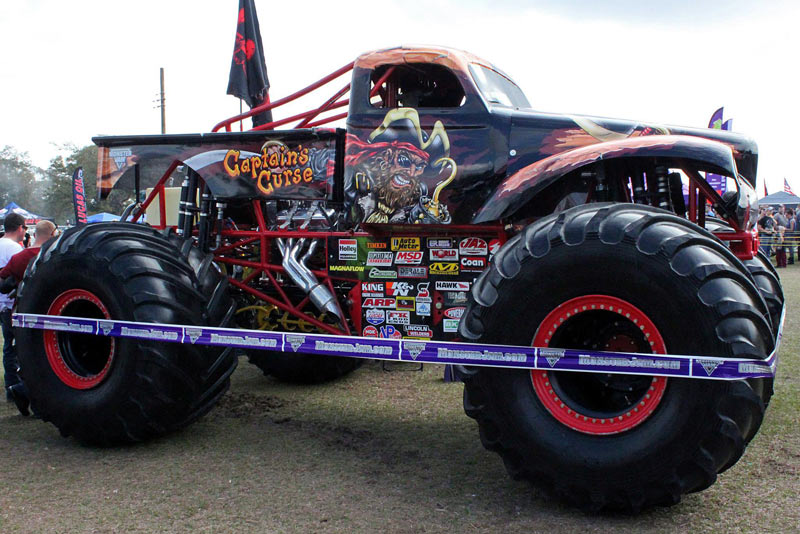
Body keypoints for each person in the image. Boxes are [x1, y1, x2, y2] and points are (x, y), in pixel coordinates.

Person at [0, 220, 56, 416]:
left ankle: (20, 389)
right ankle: (29, 395)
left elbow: (3, 279)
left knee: (27, 355)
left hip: (23, 312)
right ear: (52, 233)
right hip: (52, 313)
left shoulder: (19, 257)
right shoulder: (54, 255)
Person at [0, 213, 26, 407]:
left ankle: (11, 385)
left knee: (8, 346)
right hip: (10, 303)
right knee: (16, 346)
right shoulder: (15, 248)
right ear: (19, 228)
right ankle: (16, 387)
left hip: (1, 302)